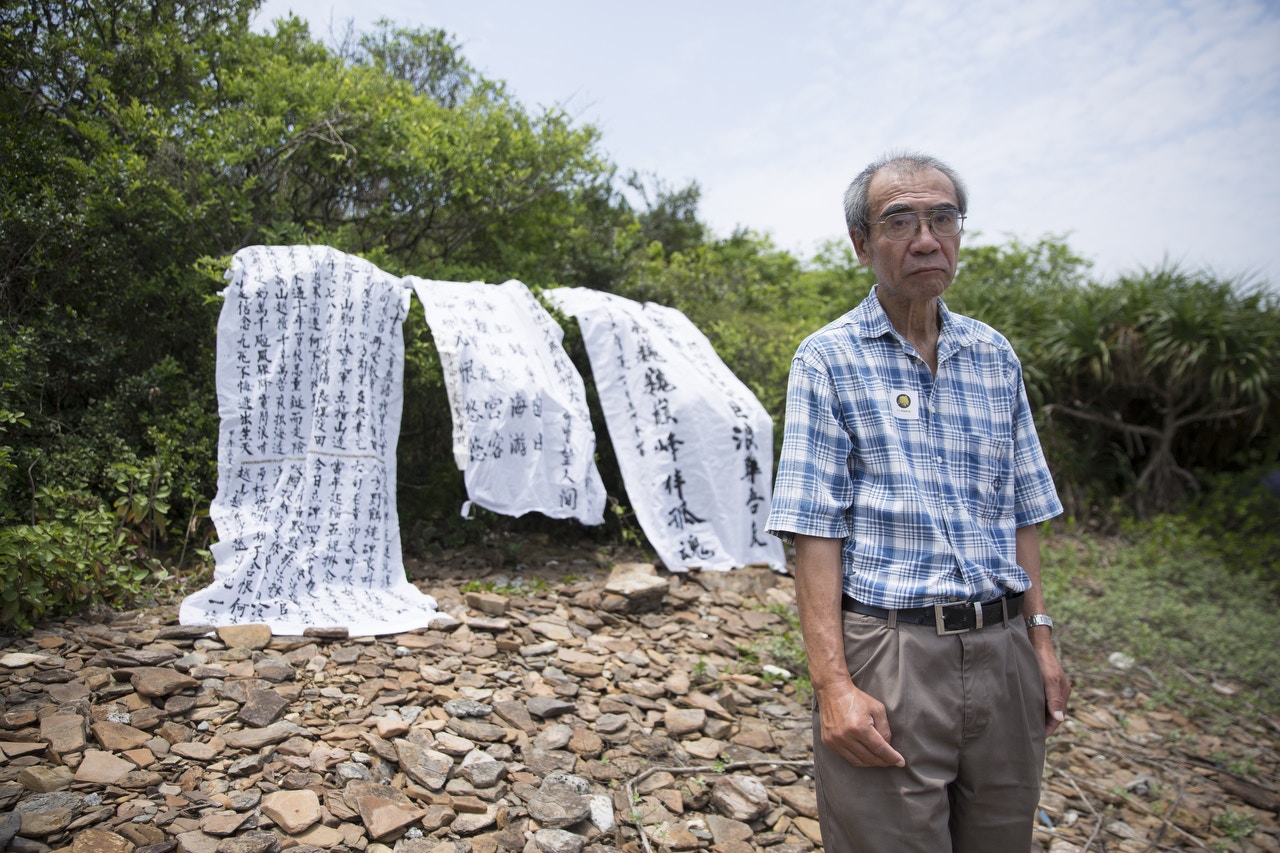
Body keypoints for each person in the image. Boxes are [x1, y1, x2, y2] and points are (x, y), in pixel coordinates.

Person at [765, 152, 1070, 852]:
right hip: (890, 651)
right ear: (863, 243)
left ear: (959, 232)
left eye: (942, 218)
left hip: (1004, 650)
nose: (925, 239)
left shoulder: (995, 356)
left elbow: (1021, 508)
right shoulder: (828, 358)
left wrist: (1041, 641)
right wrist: (832, 684)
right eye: (899, 221)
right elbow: (816, 531)